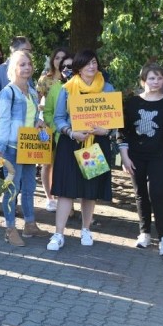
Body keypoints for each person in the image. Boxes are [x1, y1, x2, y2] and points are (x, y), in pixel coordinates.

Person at [48, 49, 115, 250]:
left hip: (96, 143)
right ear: (78, 68)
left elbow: (113, 119)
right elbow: (59, 118)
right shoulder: (67, 89)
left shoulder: (107, 88)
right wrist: (70, 132)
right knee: (66, 191)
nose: (92, 67)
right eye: (87, 64)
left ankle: (86, 229)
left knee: (90, 191)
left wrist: (107, 129)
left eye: (94, 62)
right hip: (71, 142)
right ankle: (58, 234)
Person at [118, 64, 163, 256]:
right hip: (136, 156)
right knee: (141, 195)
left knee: (158, 194)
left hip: (161, 156)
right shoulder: (131, 103)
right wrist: (125, 157)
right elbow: (123, 132)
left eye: (159, 78)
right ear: (143, 81)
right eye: (151, 78)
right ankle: (145, 232)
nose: (156, 82)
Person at [0, 50, 47, 245]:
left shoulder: (32, 92)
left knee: (29, 187)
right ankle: (10, 228)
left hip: (28, 147)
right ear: (14, 68)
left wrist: (39, 123)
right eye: (22, 64)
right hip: (11, 147)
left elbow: (32, 118)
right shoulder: (7, 92)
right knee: (12, 190)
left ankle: (30, 224)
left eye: (29, 64)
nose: (26, 68)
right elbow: (4, 121)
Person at [0, 36, 33, 215]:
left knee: (21, 180)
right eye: (27, 51)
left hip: (24, 139)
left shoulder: (29, 77)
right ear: (15, 52)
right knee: (1, 168)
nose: (29, 56)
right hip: (2, 131)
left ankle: (20, 214)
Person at [36, 47, 68, 211]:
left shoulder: (71, 80)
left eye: (64, 58)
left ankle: (62, 197)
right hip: (47, 125)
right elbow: (37, 103)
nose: (60, 61)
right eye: (57, 58)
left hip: (65, 127)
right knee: (47, 163)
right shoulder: (44, 80)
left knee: (61, 163)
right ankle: (49, 197)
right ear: (52, 60)